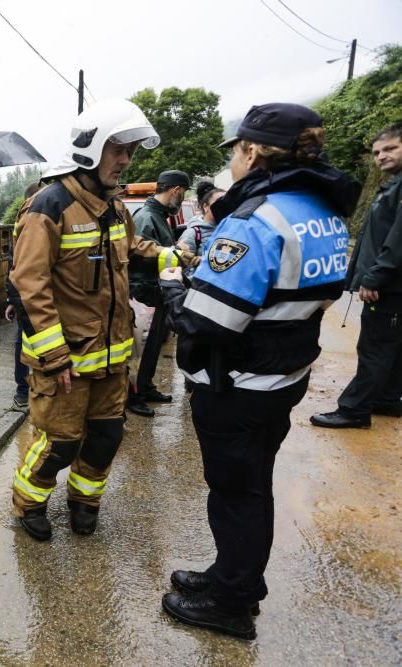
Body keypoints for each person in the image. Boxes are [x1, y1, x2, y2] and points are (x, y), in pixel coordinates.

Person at [159, 103, 360, 640]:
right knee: (251, 484)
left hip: (239, 384)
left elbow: (209, 322)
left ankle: (232, 602)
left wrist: (175, 287)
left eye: (235, 152)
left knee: (236, 493)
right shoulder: (323, 212)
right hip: (284, 376)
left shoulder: (256, 219)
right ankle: (232, 576)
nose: (233, 163)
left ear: (251, 152)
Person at [8, 99, 195, 541]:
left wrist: (170, 253)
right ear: (90, 149)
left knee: (106, 438)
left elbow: (132, 247)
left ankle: (84, 501)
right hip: (66, 364)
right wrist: (54, 356)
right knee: (58, 444)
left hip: (111, 360)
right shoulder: (48, 207)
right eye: (117, 148)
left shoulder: (114, 207)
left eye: (130, 149)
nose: (125, 159)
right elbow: (28, 283)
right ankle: (28, 503)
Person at [311, 123, 402, 428]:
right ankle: (387, 399)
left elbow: (398, 240)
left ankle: (354, 409)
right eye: (377, 152)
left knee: (375, 347)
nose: (381, 156)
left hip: (389, 286)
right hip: (391, 284)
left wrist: (375, 277)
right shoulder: (394, 185)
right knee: (391, 345)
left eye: (390, 148)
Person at [127, 169, 192, 415]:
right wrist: (176, 255)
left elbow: (161, 250)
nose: (182, 198)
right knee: (138, 350)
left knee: (152, 346)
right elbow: (139, 255)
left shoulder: (159, 216)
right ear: (175, 190)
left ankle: (146, 387)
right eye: (183, 193)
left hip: (157, 291)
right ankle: (133, 398)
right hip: (144, 293)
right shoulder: (146, 217)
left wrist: (173, 249)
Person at [6, 181, 44, 410]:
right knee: (23, 343)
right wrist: (12, 299)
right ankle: (22, 390)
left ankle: (36, 389)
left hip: (39, 296)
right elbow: (13, 267)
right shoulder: (23, 224)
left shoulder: (42, 222)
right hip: (25, 298)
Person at [177, 181, 227, 257]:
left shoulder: (232, 229)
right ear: (205, 206)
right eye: (219, 202)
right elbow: (184, 263)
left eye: (227, 202)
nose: (224, 206)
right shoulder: (192, 234)